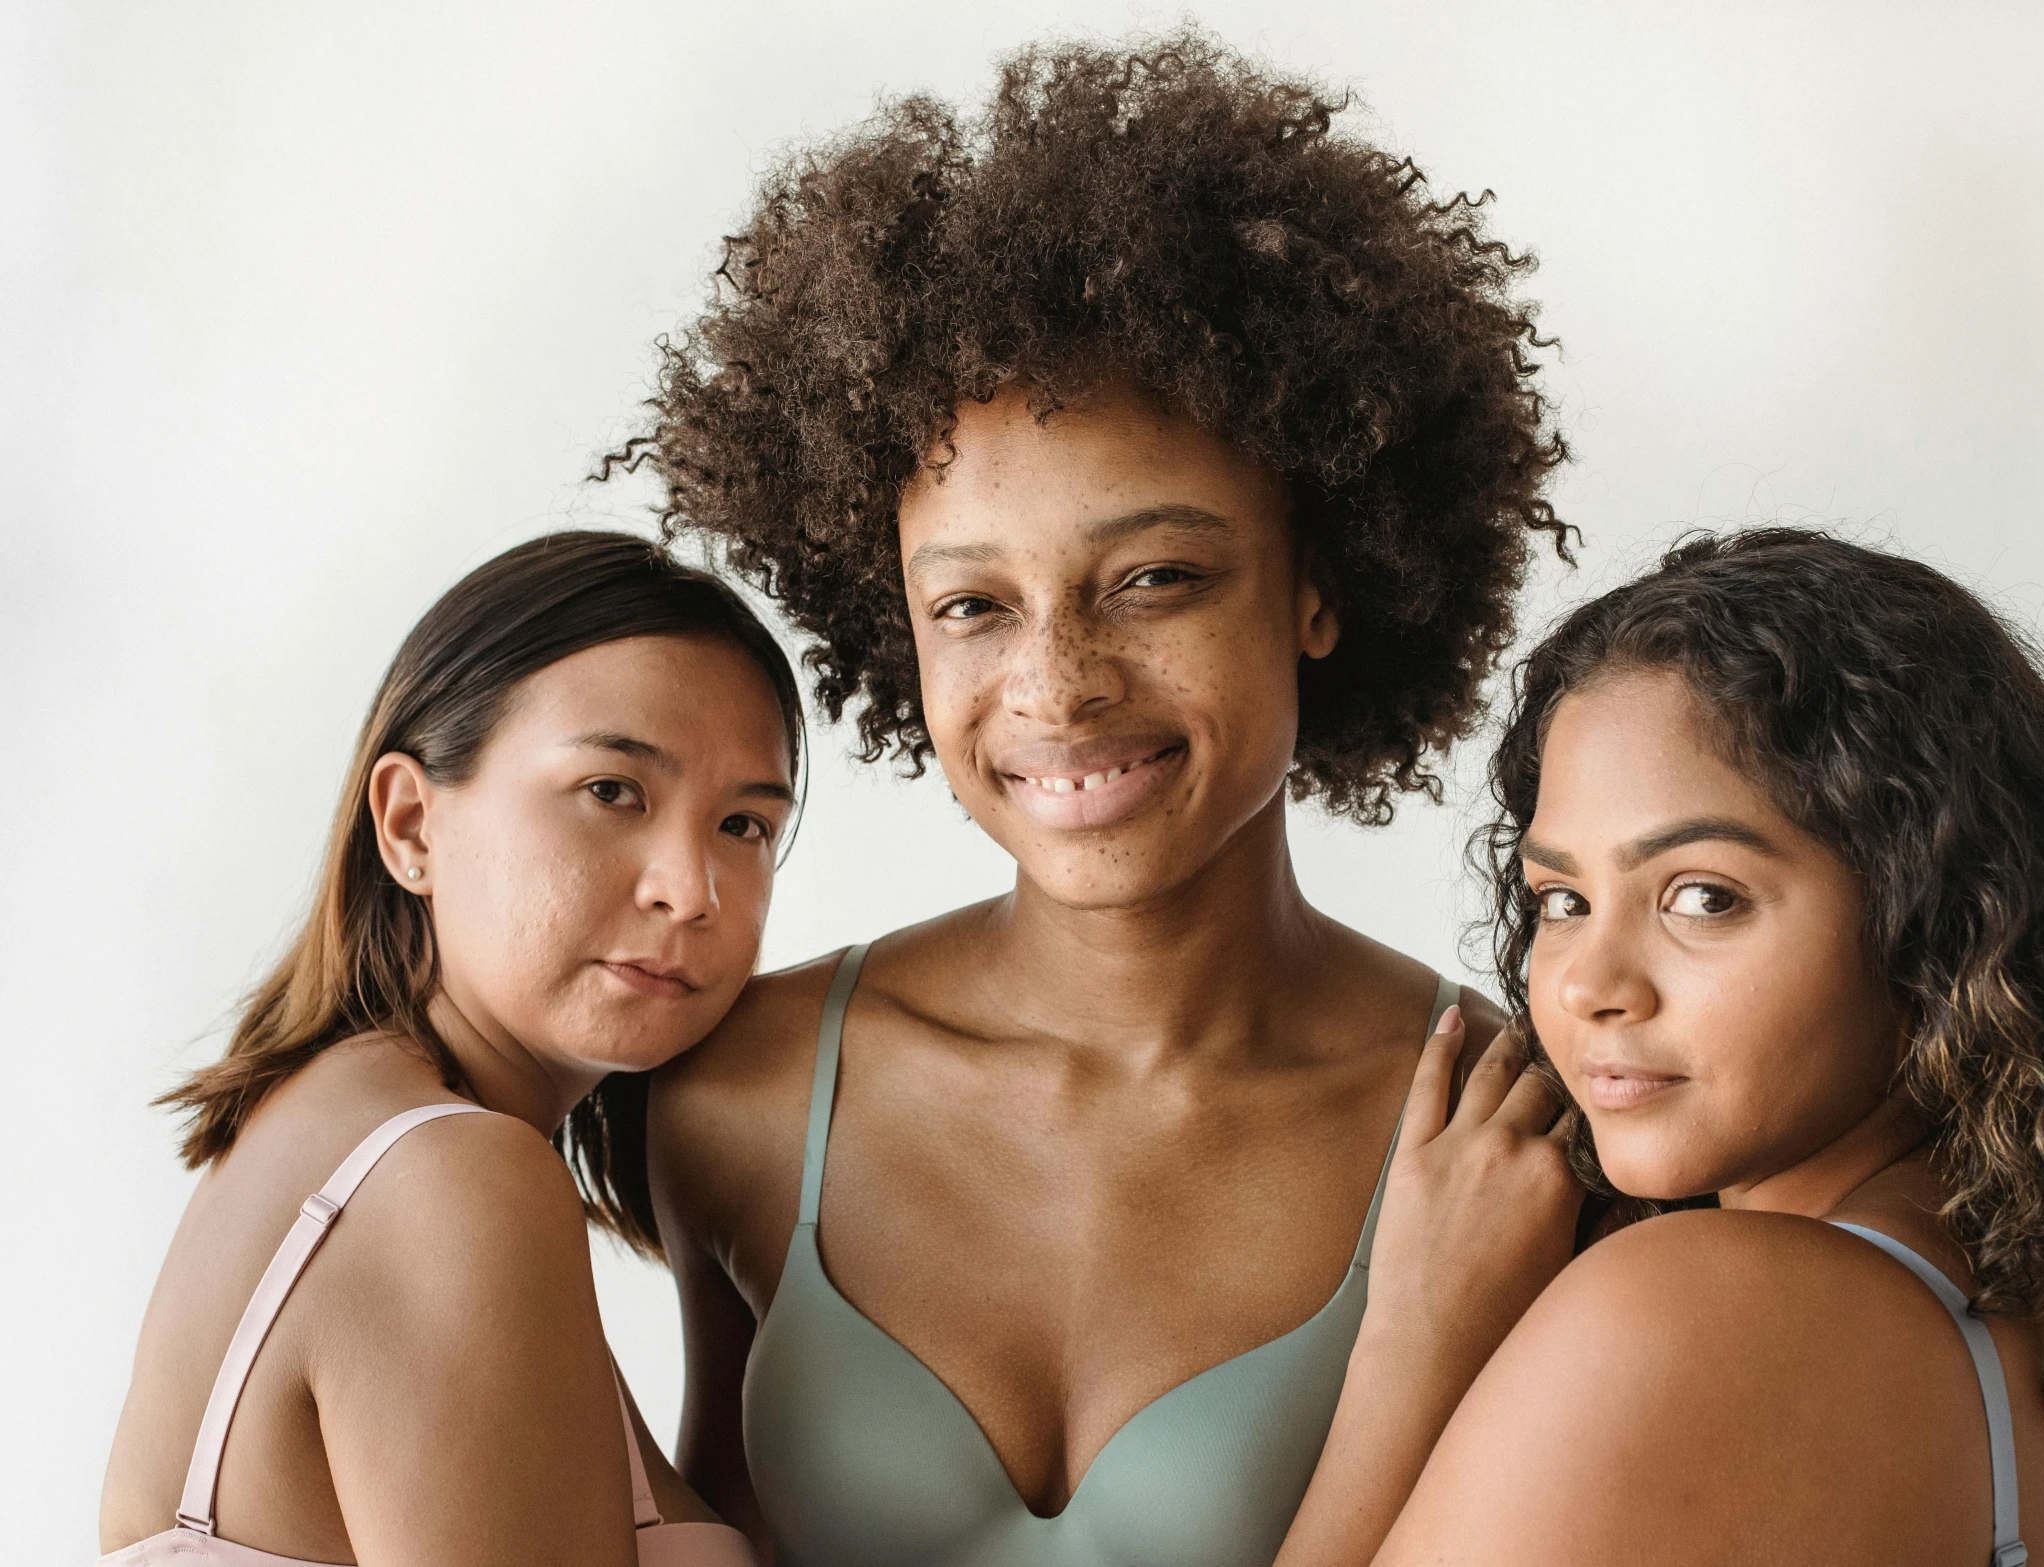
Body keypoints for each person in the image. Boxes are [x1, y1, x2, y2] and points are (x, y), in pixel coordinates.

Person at [615, 32, 1583, 1567]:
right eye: (975, 606)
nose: (1056, 687)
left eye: (1154, 578)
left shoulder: (1512, 1142)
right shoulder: (736, 1096)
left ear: (1320, 585)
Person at [1370, 529, 2044, 1566]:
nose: (1586, 984)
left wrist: (1415, 1338)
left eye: (1702, 897)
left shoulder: (1689, 1306)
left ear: (1934, 914)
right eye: (1563, 899)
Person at [99, 532, 792, 1567]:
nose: (690, 891)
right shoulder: (446, 1179)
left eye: (743, 823)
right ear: (411, 823)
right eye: (612, 791)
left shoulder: (346, 1133)